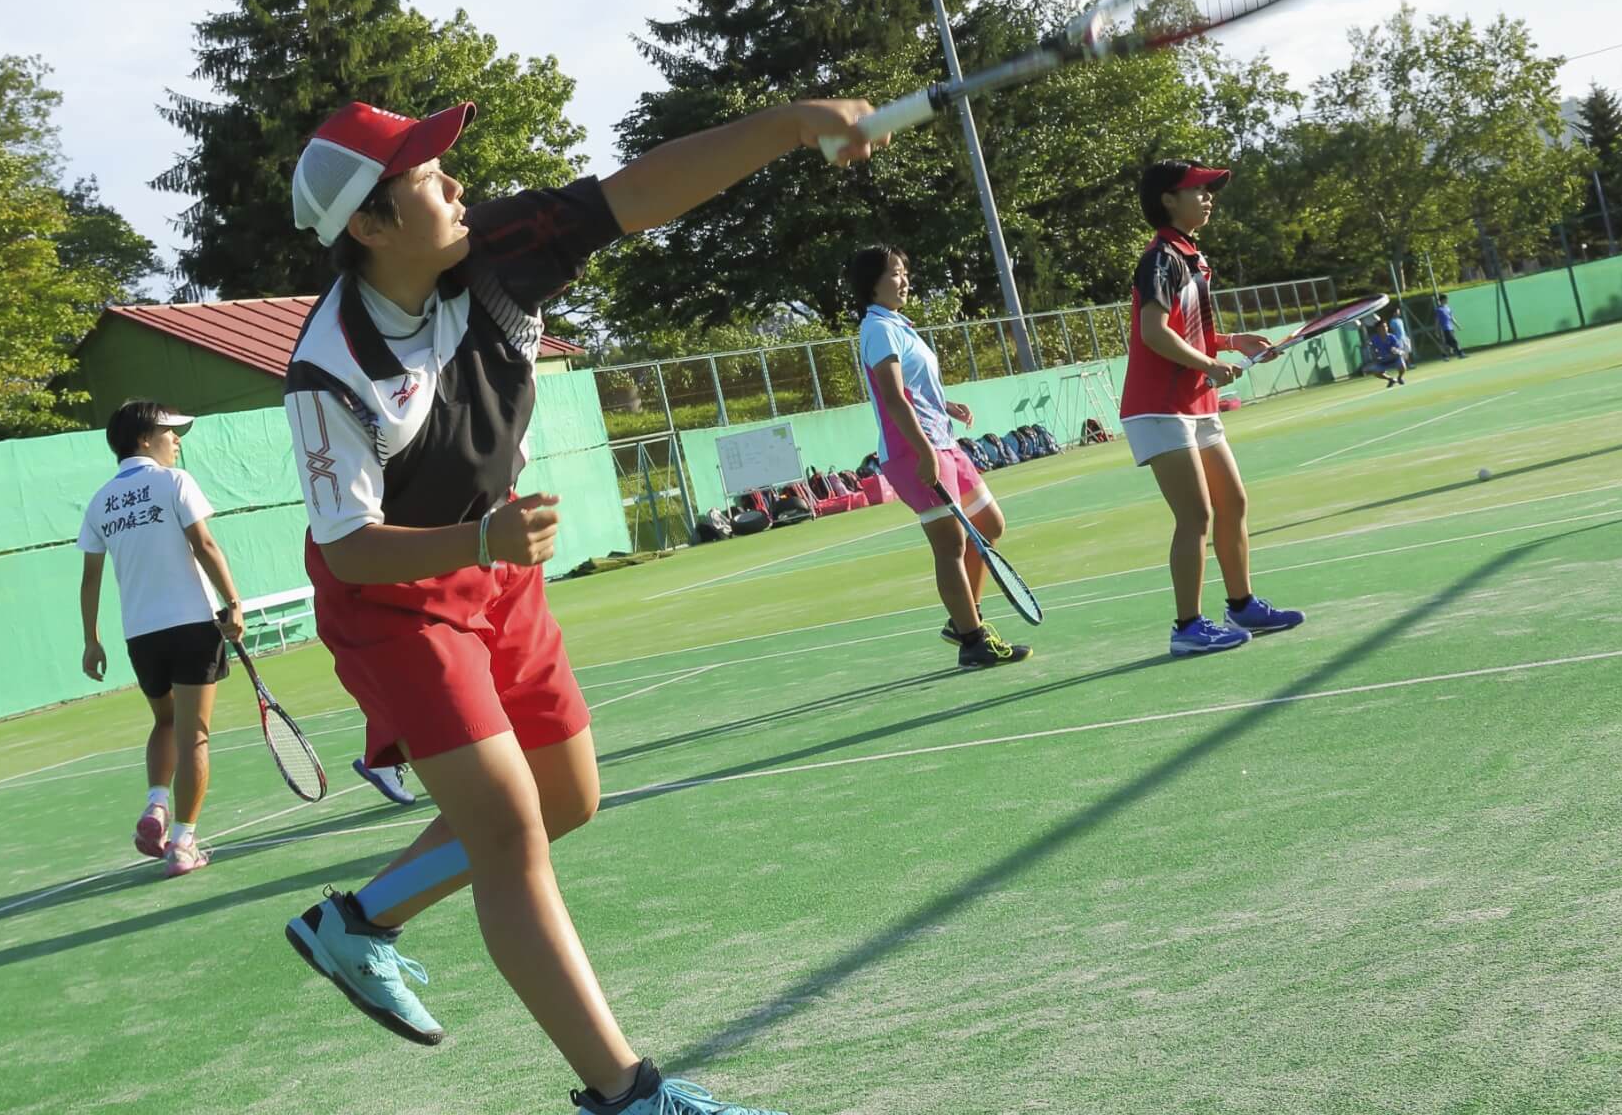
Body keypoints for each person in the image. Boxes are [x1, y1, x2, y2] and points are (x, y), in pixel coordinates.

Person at [279, 96, 885, 1115]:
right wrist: (478, 542)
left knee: (567, 799)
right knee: (512, 833)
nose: (456, 186)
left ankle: (358, 922)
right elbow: (348, 542)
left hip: (497, 564)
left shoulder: (500, 250)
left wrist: (788, 126)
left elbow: (640, 190)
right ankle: (628, 1094)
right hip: (395, 595)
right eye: (428, 179)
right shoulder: (331, 370)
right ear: (369, 227)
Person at [1122, 160, 1307, 657]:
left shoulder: (1190, 258)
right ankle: (1187, 626)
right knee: (1196, 515)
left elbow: (1190, 331)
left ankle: (1241, 604)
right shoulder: (1161, 258)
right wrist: (1210, 360)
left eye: (1210, 191)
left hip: (1195, 402)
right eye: (1198, 190)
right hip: (1159, 408)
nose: (1209, 198)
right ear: (1167, 199)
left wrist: (1230, 342)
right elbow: (1153, 332)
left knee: (1235, 502)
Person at [76, 401, 244, 877]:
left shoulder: (99, 501)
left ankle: (156, 805)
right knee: (195, 734)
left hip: (140, 637)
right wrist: (234, 601)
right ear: (145, 440)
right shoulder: (174, 483)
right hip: (192, 626)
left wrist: (92, 640)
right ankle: (185, 842)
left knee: (166, 722)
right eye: (170, 433)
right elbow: (204, 544)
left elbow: (91, 578)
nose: (178, 440)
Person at [848, 245, 1031, 669]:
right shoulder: (877, 328)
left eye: (904, 270)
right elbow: (893, 398)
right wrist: (925, 451)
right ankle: (972, 641)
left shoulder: (900, 326)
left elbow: (914, 387)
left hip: (943, 442)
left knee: (989, 524)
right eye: (895, 272)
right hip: (915, 451)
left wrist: (946, 405)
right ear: (871, 283)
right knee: (951, 543)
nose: (904, 279)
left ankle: (964, 618)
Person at [1365, 316, 1408, 388]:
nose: (1385, 328)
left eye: (1386, 326)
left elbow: (1398, 349)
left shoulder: (1392, 337)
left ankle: (1399, 377)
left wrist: (1396, 351)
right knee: (1375, 372)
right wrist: (1376, 357)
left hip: (1394, 359)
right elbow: (1373, 350)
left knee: (1403, 366)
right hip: (1383, 361)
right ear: (1378, 329)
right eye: (1382, 327)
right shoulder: (1374, 339)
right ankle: (1391, 379)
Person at [1431, 294, 1465, 359]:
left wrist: (1457, 325)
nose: (1447, 300)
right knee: (1454, 341)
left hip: (1451, 328)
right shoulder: (1439, 309)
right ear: (1442, 300)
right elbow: (1437, 321)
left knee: (1448, 343)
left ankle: (1444, 355)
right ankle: (1460, 354)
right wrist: (1436, 330)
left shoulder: (1448, 308)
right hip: (1445, 329)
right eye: (1446, 299)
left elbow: (1452, 318)